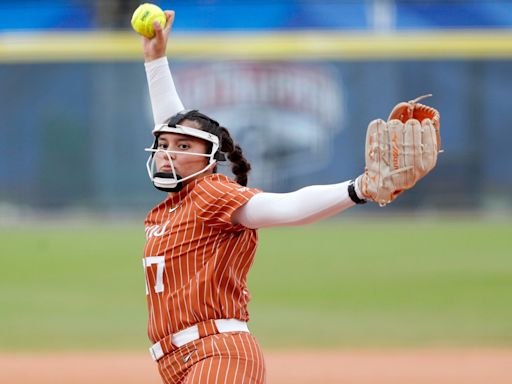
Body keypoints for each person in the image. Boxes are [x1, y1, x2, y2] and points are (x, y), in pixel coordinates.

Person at [139, 10, 438, 384]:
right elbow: (173, 126)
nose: (167, 151)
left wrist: (358, 188)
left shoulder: (212, 194)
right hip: (177, 360)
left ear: (208, 160)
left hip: (218, 353)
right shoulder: (170, 208)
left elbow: (287, 207)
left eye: (182, 146)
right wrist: (155, 60)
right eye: (164, 144)